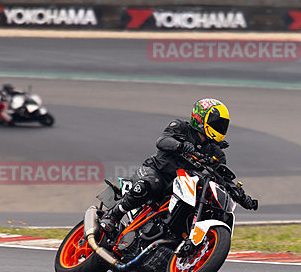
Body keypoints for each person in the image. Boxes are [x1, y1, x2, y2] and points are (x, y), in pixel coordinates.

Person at [101, 98, 258, 233]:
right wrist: (181, 146)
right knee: (151, 184)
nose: (220, 128)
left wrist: (243, 197)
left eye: (222, 125)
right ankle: (113, 215)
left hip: (183, 185)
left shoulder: (217, 152)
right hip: (158, 172)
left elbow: (222, 177)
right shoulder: (180, 127)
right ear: (201, 118)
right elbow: (162, 141)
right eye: (216, 123)